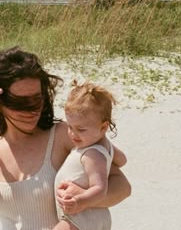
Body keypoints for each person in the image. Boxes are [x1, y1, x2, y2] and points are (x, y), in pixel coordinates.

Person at [0, 46, 131, 230]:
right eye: (20, 103)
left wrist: (83, 199)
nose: (32, 110)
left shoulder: (65, 135)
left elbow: (122, 187)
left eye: (37, 99)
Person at [53, 81, 127, 230]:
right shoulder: (104, 146)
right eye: (70, 127)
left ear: (103, 127)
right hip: (91, 217)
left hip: (81, 217)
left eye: (81, 129)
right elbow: (122, 160)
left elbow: (100, 188)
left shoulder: (92, 154)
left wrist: (79, 201)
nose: (72, 134)